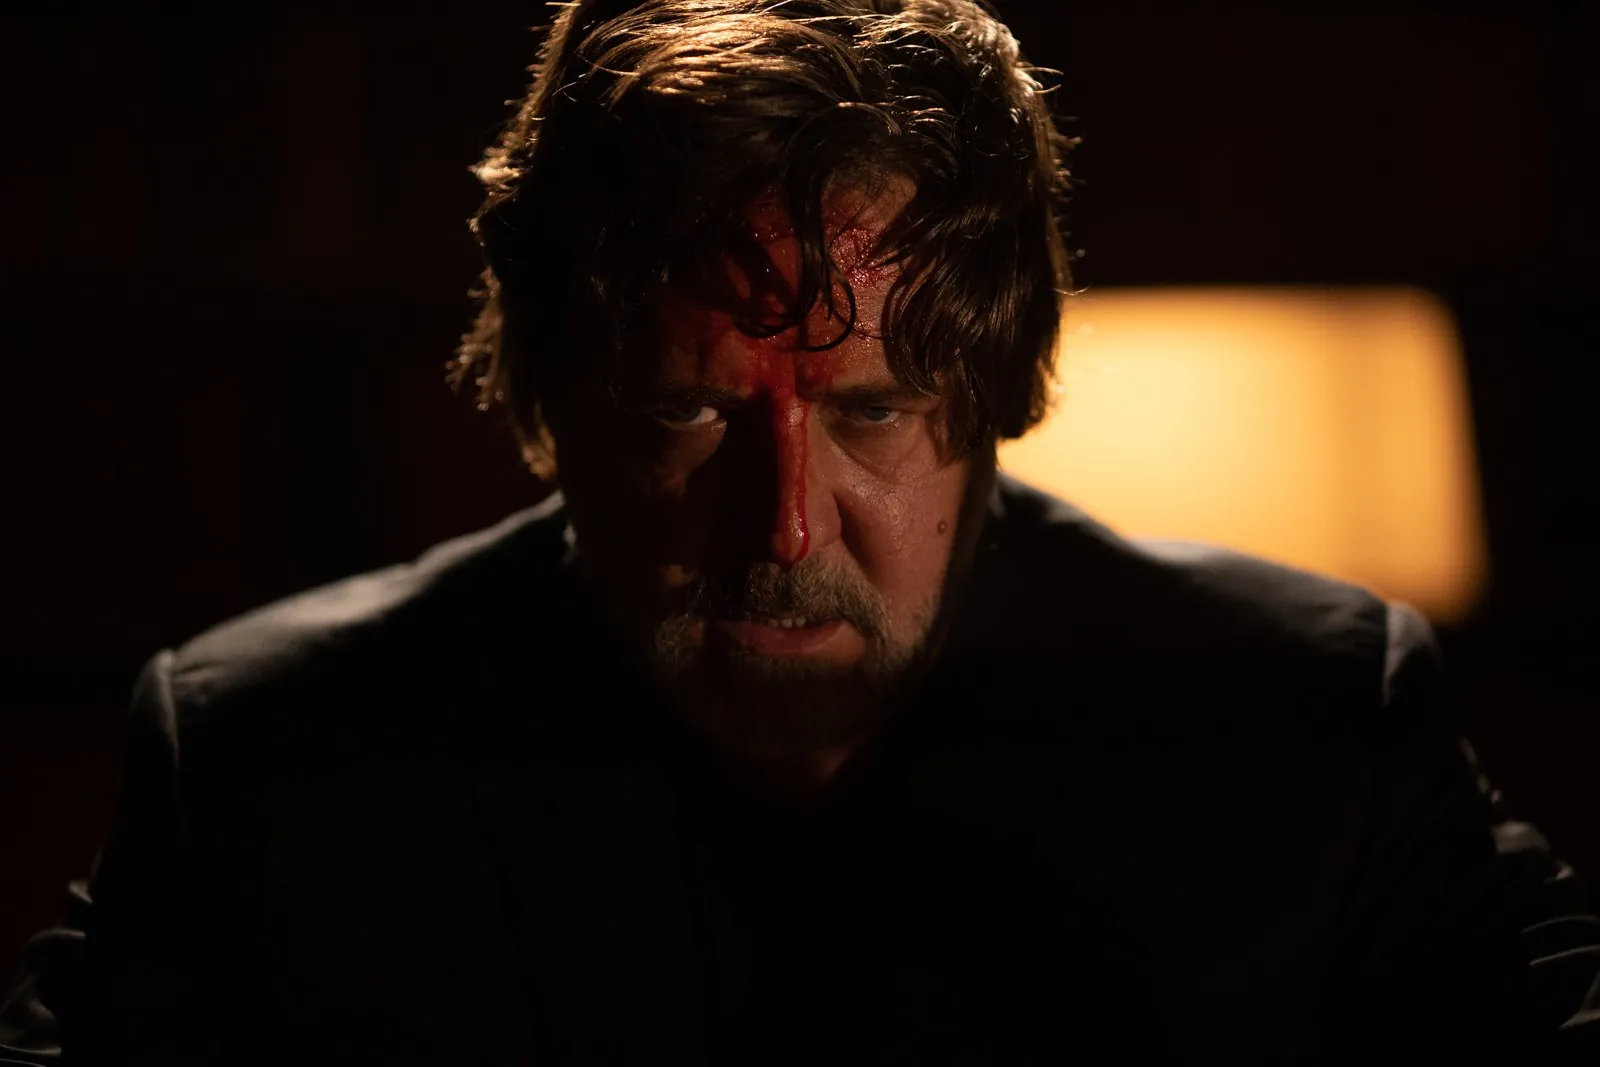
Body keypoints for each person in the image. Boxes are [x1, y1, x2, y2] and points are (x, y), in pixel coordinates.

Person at [4, 0, 1599, 1062]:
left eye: (874, 412)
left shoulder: (1305, 731)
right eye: (690, 414)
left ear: (997, 394)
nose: (781, 524)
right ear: (554, 401)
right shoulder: (271, 764)